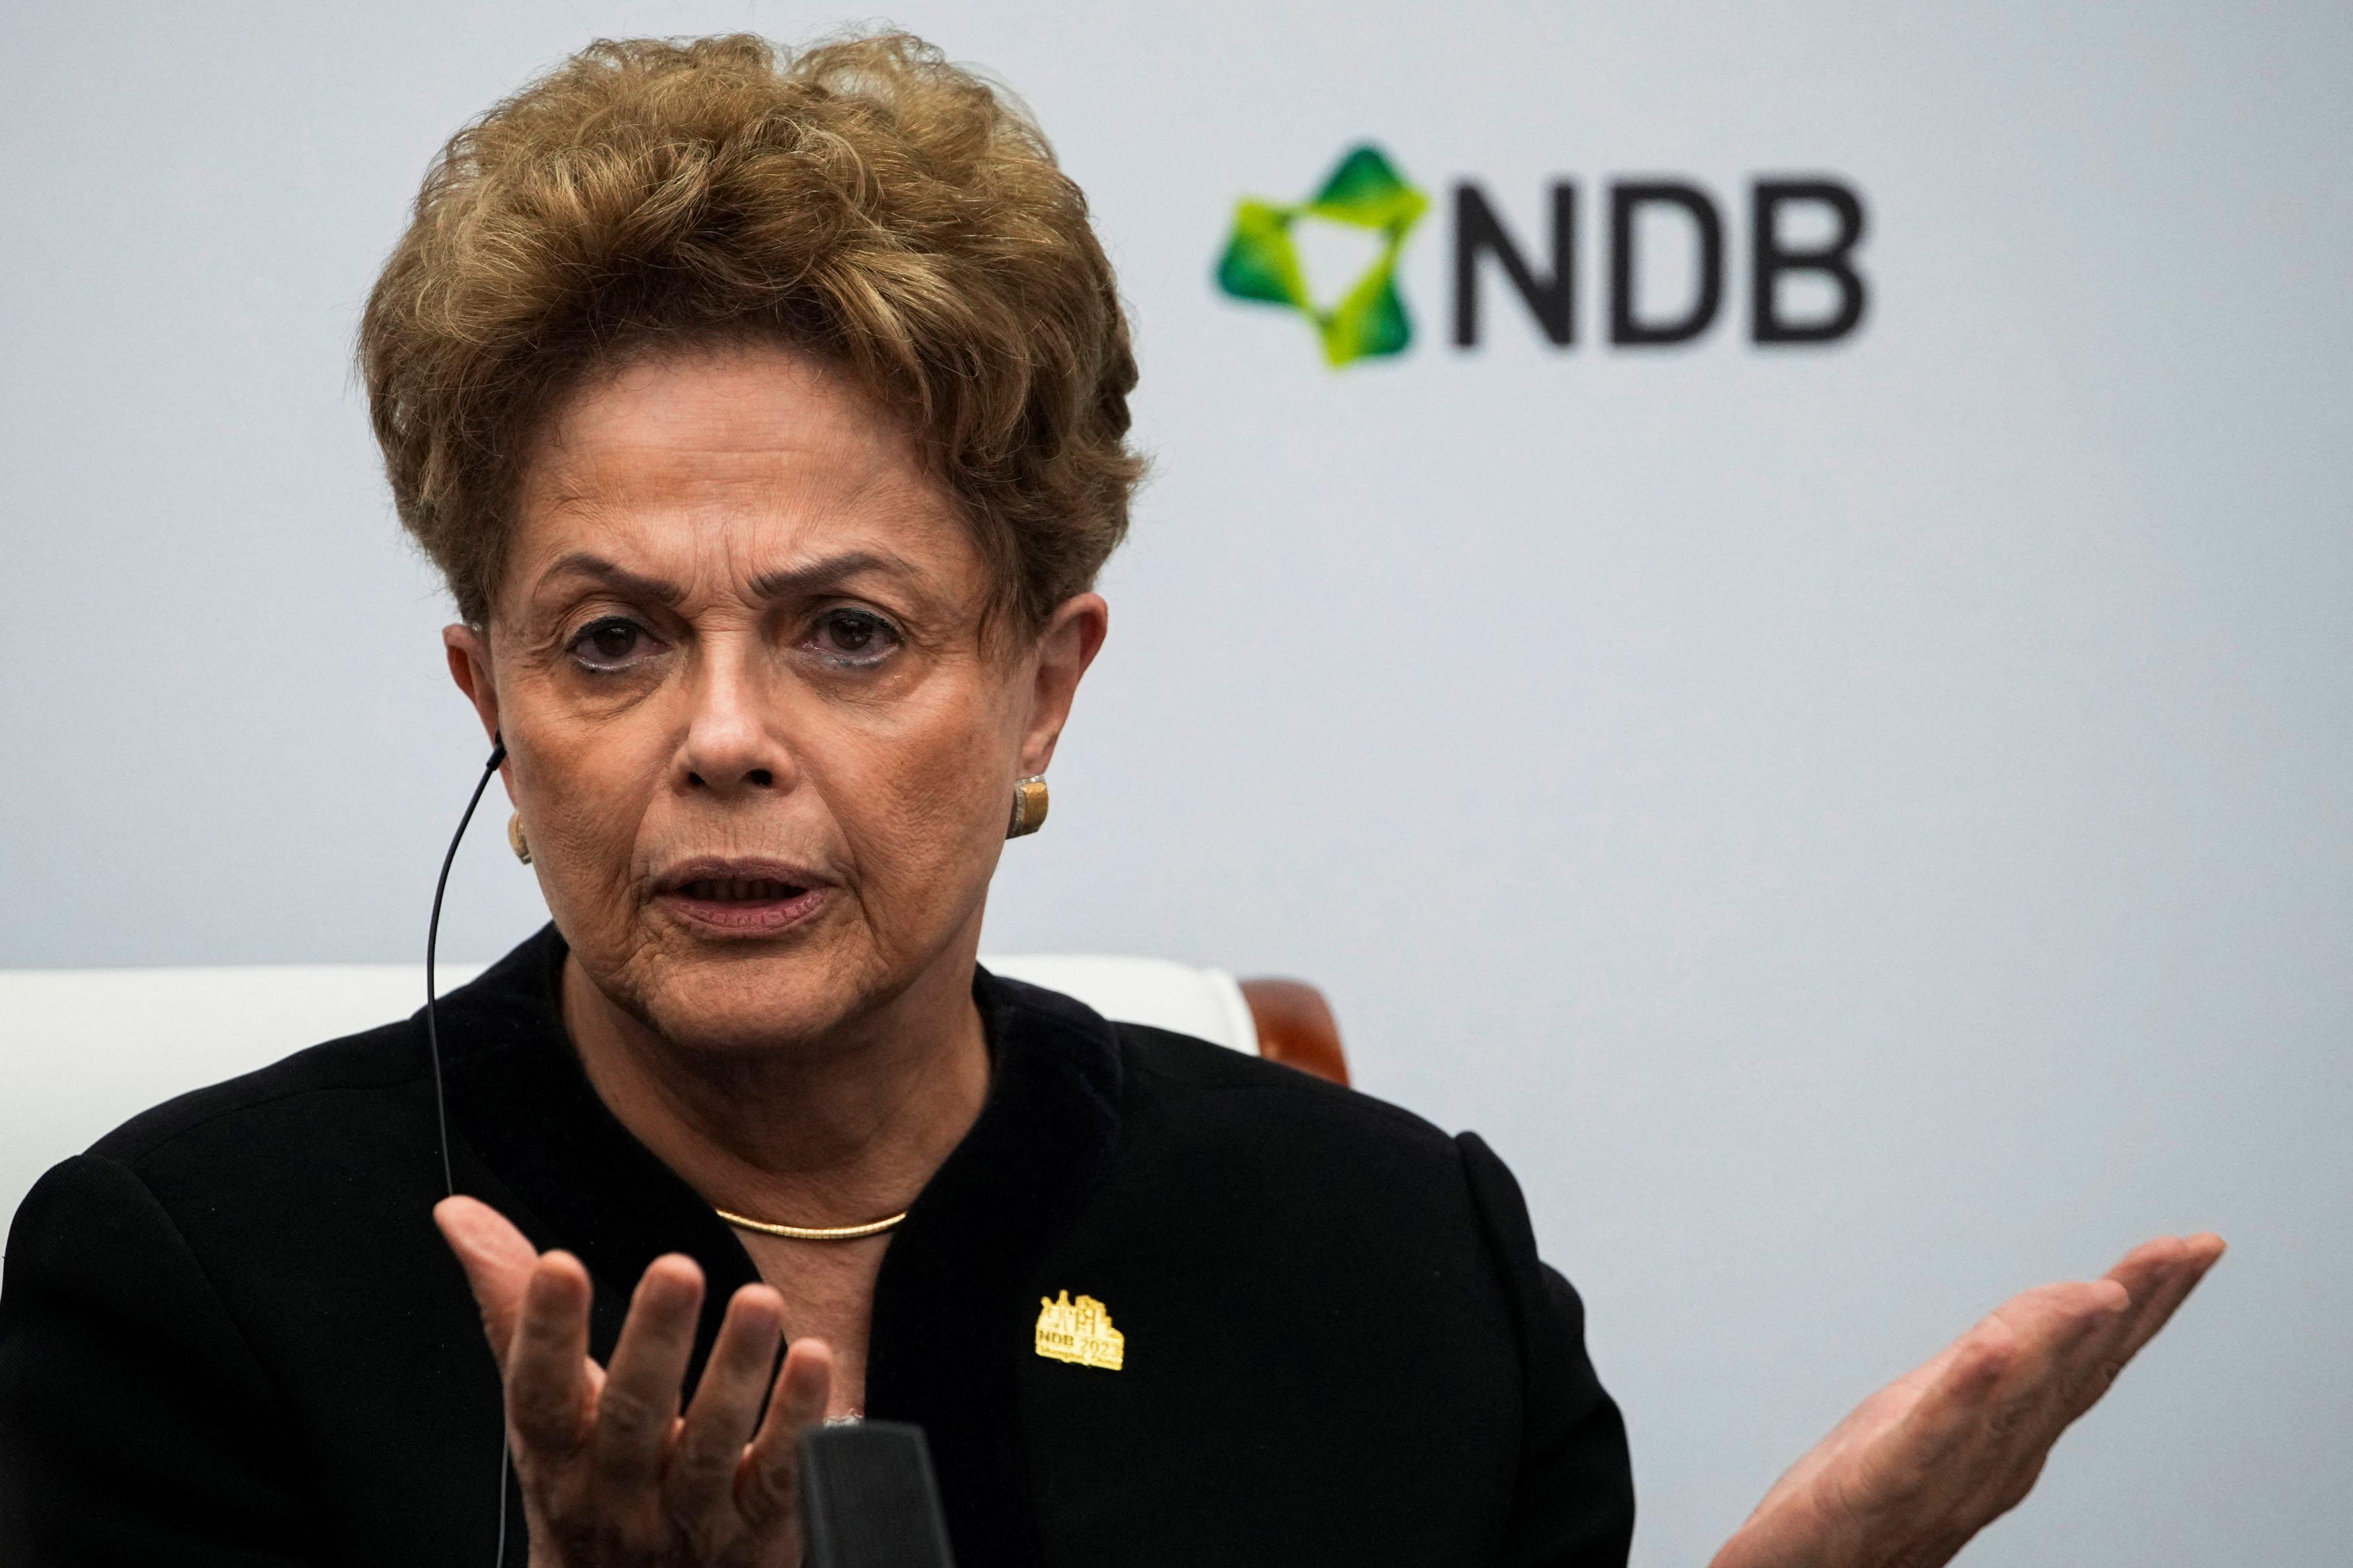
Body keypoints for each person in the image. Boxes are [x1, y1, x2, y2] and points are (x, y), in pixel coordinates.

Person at [0, 31, 2222, 1568]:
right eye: (610, 640)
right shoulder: (191, 1288)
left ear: (1041, 689)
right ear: (488, 698)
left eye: (849, 631)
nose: (725, 734)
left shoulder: (1389, 1259)